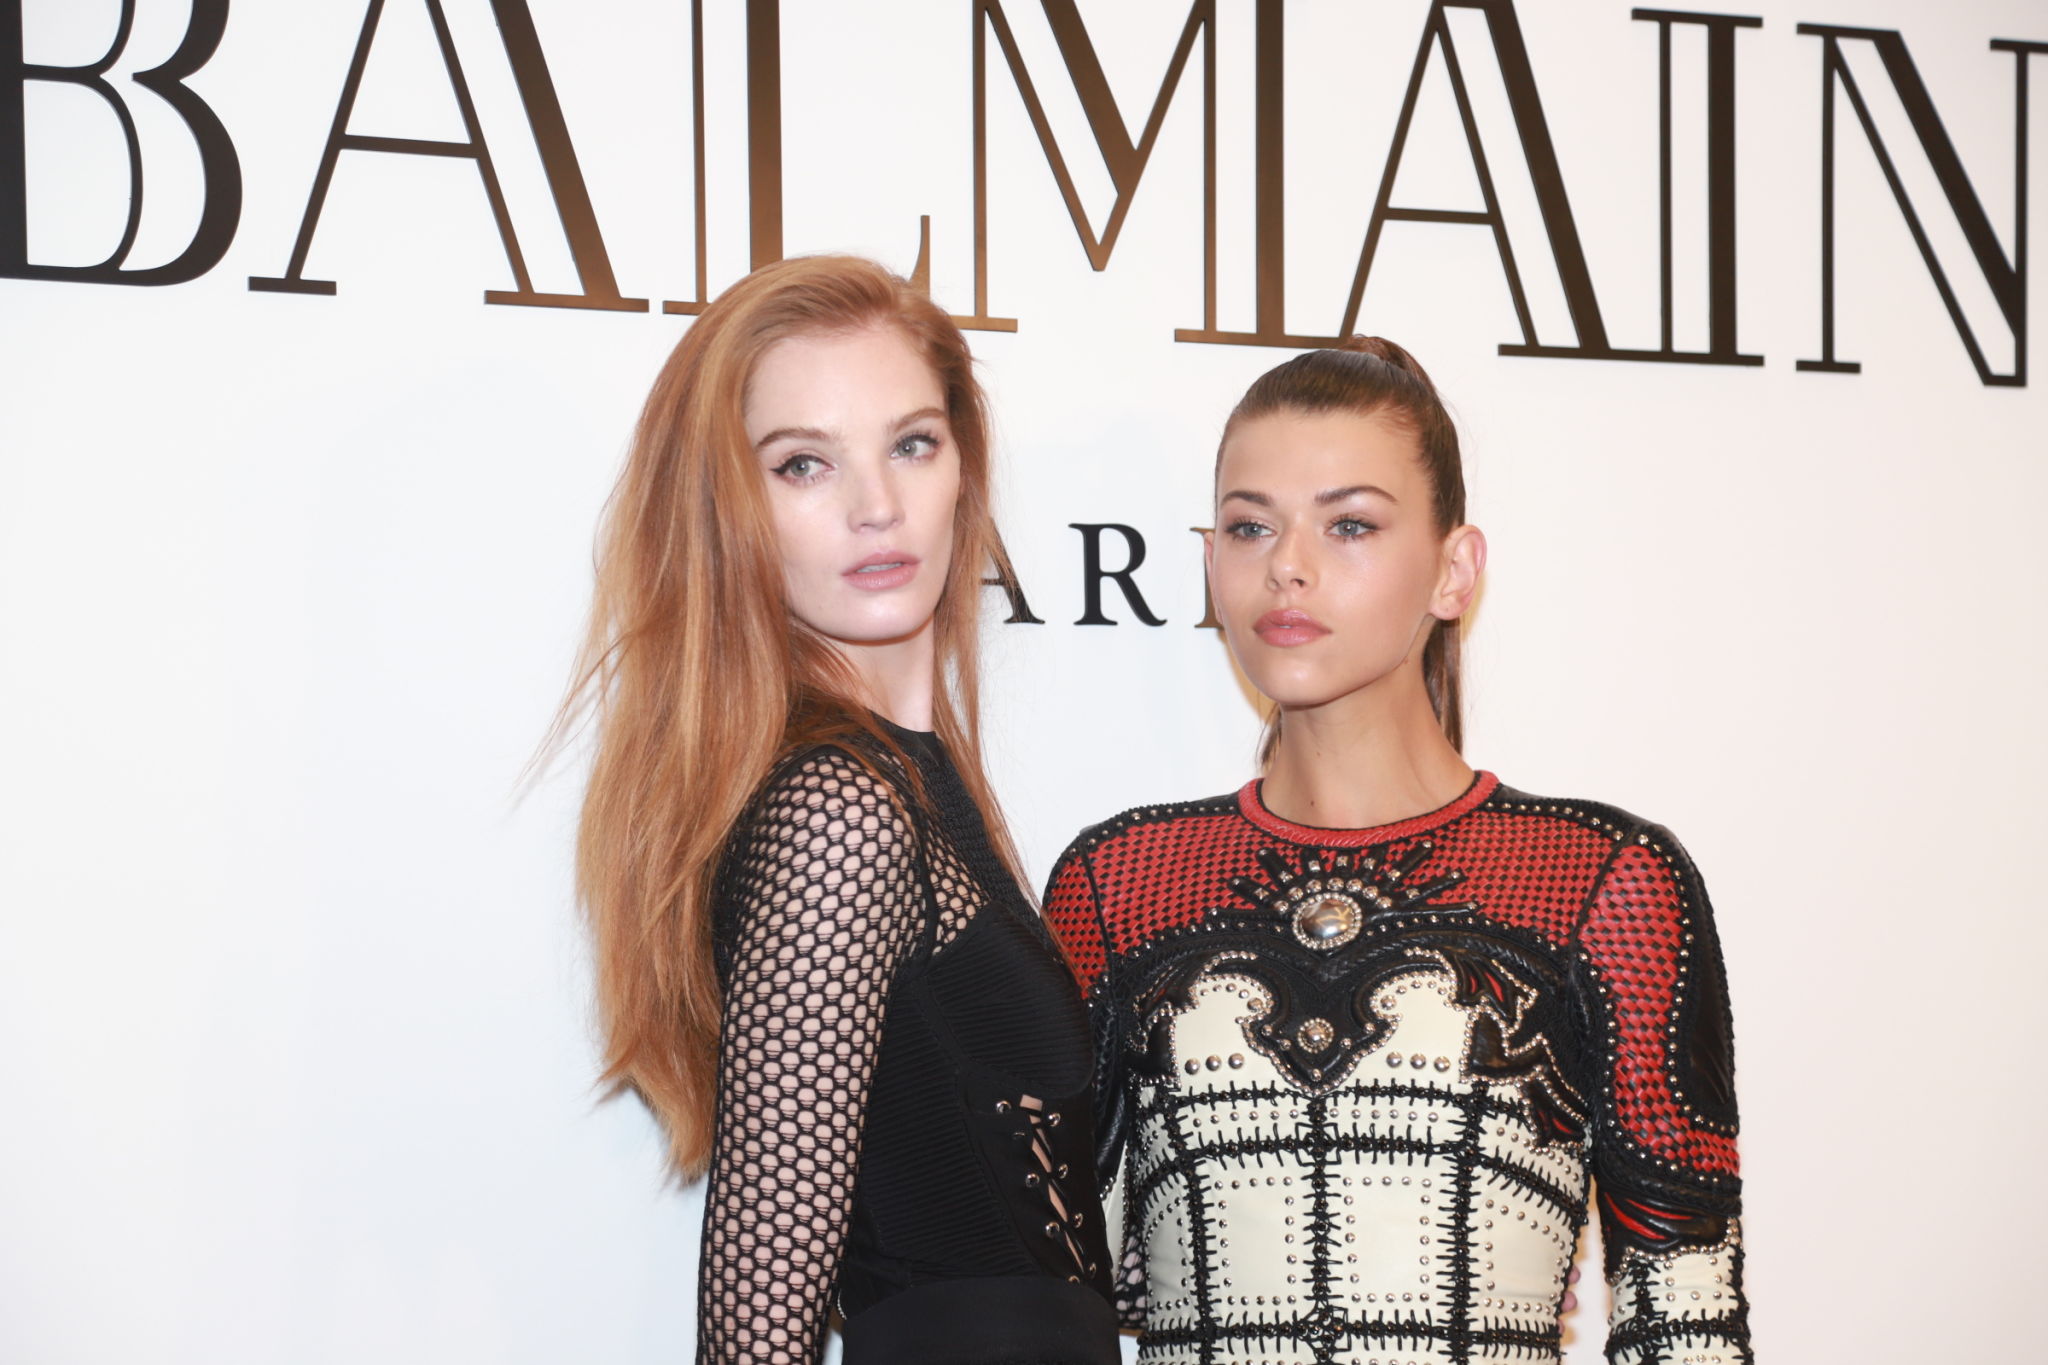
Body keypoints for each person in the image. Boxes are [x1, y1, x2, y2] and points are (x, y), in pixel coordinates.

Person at [1044, 339, 1751, 1364]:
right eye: (1249, 526)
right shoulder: (1120, 881)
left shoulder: (1601, 876)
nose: (1287, 565)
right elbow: (1058, 1284)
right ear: (1210, 563)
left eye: (1349, 524)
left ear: (1453, 570)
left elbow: (1685, 1314)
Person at [560, 256, 1116, 1365]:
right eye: (803, 464)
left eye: (912, 443)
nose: (878, 506)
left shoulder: (917, 785)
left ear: (963, 466)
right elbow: (753, 1337)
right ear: (727, 511)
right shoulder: (839, 810)